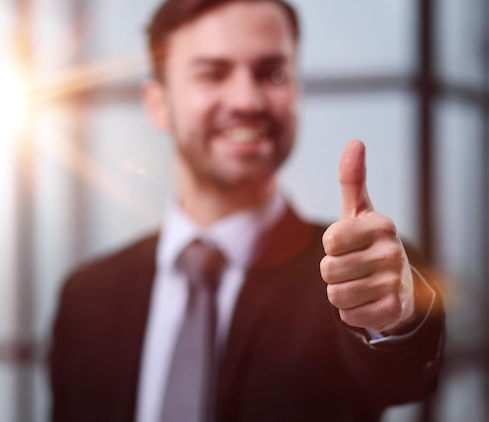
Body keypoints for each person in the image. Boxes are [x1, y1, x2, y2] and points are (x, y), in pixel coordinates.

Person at [48, 0, 445, 421]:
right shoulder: (86, 298)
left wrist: (393, 321)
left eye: (272, 73)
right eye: (212, 74)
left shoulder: (356, 272)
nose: (247, 100)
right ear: (157, 103)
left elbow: (402, 376)